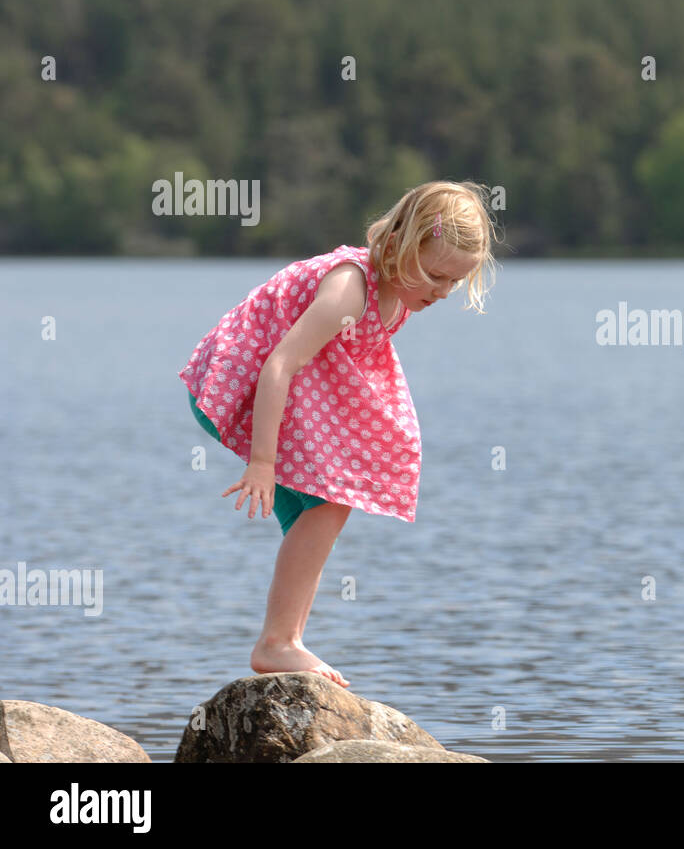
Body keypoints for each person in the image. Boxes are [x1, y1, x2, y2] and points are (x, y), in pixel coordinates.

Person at [179, 180, 501, 687]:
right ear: (397, 246)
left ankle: (287, 639)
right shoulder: (350, 287)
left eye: (453, 284)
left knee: (327, 507)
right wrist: (262, 462)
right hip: (238, 382)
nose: (441, 292)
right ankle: (277, 642)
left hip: (298, 381)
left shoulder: (399, 293)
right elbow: (279, 364)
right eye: (435, 276)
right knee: (328, 502)